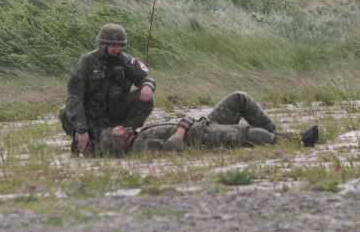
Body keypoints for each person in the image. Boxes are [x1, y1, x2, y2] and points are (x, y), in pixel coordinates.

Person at [98, 91, 319, 156]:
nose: (119, 127)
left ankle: (274, 136)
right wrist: (183, 127)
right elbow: (171, 149)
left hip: (203, 126)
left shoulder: (138, 137)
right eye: (116, 131)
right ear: (119, 142)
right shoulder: (140, 146)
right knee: (247, 134)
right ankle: (298, 141)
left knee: (238, 99)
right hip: (202, 137)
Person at [59, 23, 155, 155]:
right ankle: (86, 138)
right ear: (103, 44)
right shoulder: (86, 63)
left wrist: (147, 85)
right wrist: (82, 130)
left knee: (146, 98)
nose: (116, 49)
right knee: (97, 152)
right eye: (112, 45)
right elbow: (74, 99)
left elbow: (144, 77)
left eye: (119, 45)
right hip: (92, 116)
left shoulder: (126, 61)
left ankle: (124, 131)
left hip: (117, 113)